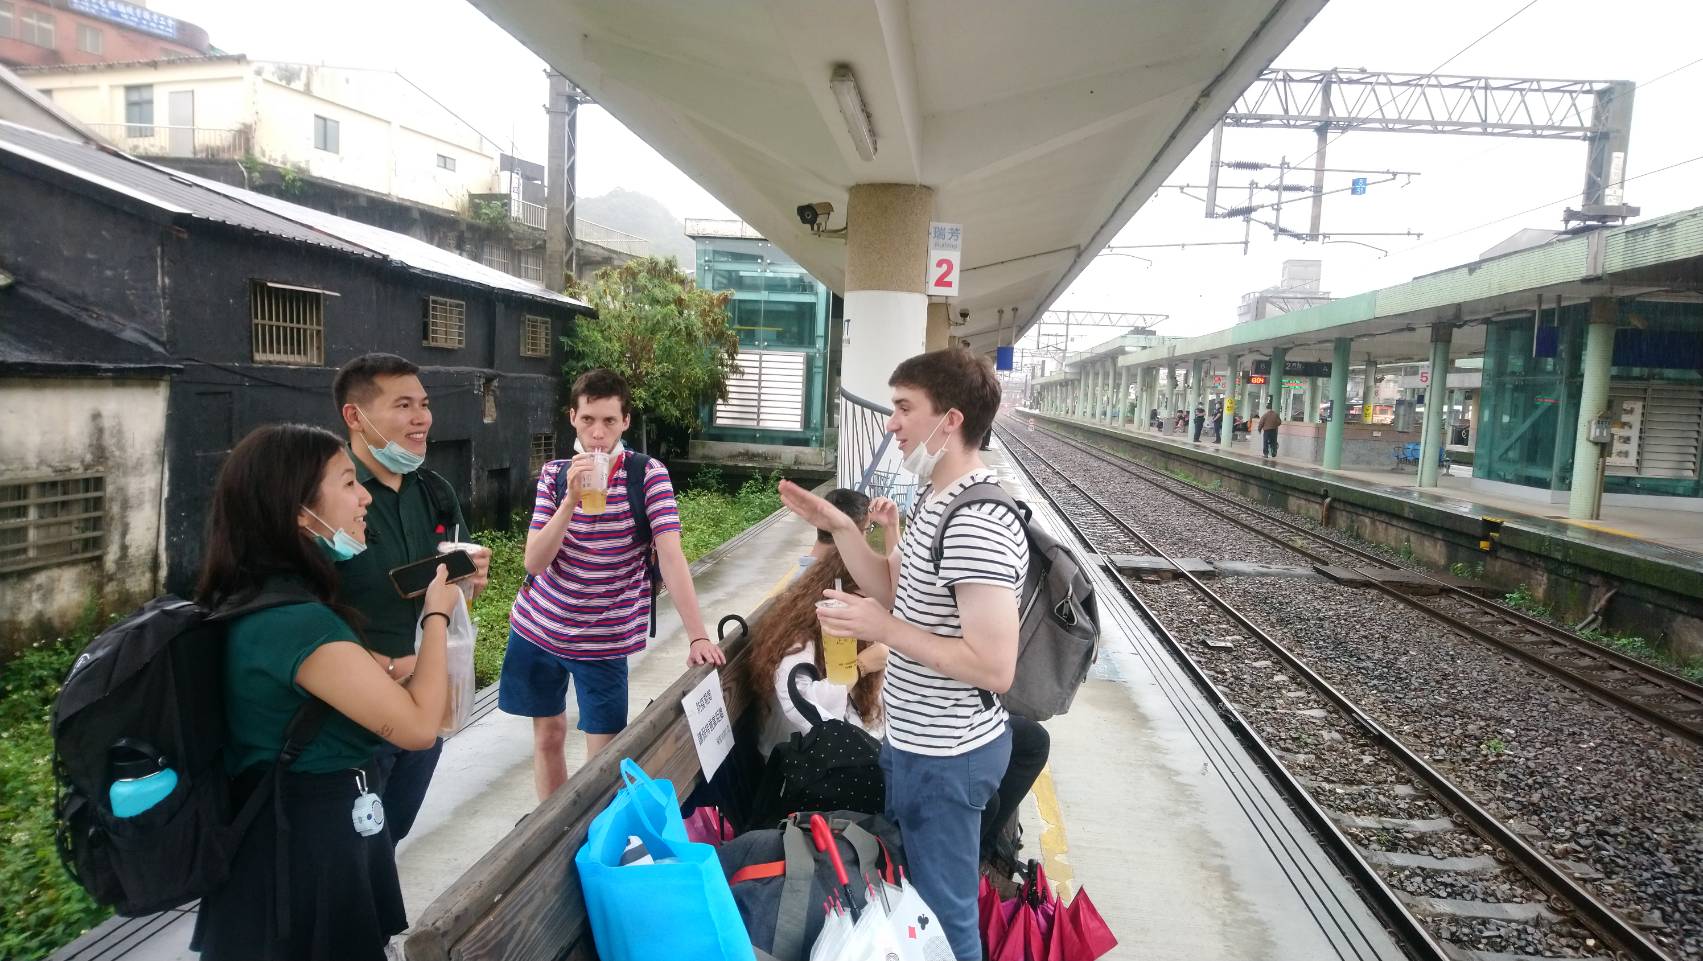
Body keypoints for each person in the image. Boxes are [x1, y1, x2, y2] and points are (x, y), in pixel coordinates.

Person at [778, 347, 1027, 961]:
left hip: (949, 757)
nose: (892, 423)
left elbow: (995, 667)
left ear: (952, 420)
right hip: (916, 746)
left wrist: (883, 628)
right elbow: (897, 589)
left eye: (904, 408)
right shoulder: (939, 500)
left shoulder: (977, 521)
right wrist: (840, 529)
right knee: (920, 907)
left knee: (947, 923)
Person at [190, 424, 461, 961]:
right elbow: (418, 727)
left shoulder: (262, 598)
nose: (364, 496)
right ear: (297, 511)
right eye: (347, 483)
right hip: (304, 848)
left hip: (299, 833)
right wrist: (437, 613)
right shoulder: (297, 622)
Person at [501, 368, 724, 803]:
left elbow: (672, 554)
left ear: (625, 422)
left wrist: (697, 634)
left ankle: (592, 839)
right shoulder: (553, 475)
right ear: (572, 418)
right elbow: (534, 560)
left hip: (605, 640)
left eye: (608, 421)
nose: (597, 434)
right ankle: (552, 835)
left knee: (604, 760)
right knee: (548, 736)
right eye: (588, 420)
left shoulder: (648, 475)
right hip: (538, 628)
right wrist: (569, 500)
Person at [328, 353, 489, 845]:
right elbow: (301, 611)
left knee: (389, 840)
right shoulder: (328, 498)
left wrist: (469, 580)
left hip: (427, 705)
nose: (422, 418)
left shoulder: (435, 493)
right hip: (352, 719)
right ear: (355, 417)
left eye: (424, 404)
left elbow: (458, 599)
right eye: (403, 405)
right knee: (345, 854)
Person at [744, 548, 888, 758]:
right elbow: (802, 706)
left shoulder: (859, 631)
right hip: (802, 767)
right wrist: (861, 665)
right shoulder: (799, 641)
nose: (875, 607)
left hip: (840, 754)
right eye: (867, 597)